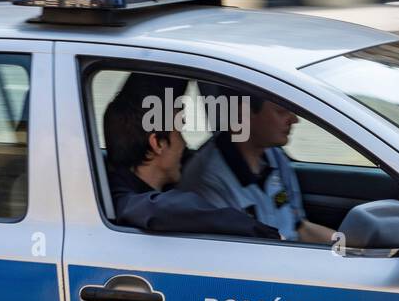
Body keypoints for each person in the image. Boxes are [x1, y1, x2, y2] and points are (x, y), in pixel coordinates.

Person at [103, 73, 281, 239]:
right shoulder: (124, 201)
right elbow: (164, 209)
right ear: (157, 143)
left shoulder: (122, 186)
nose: (184, 144)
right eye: (180, 131)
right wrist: (267, 236)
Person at [179, 94, 336, 244]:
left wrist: (347, 243)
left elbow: (299, 228)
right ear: (244, 113)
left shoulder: (275, 156)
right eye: (281, 111)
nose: (294, 119)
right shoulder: (208, 181)